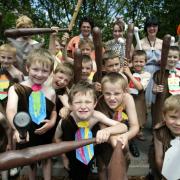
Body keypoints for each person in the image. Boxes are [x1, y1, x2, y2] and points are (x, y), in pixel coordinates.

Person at [54, 81, 128, 180]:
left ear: (94, 104)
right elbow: (57, 138)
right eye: (78, 102)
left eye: (88, 102)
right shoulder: (65, 121)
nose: (83, 106)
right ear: (71, 105)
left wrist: (108, 131)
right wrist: (64, 158)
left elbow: (123, 127)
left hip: (91, 152)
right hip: (71, 154)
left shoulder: (95, 116)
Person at [6, 48, 57, 180]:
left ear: (50, 72)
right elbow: (11, 110)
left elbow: (53, 110)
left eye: (45, 71)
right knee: (30, 160)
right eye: (35, 69)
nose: (39, 74)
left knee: (47, 158)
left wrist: (52, 122)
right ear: (27, 68)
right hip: (25, 130)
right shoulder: (16, 88)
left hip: (44, 131)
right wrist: (18, 128)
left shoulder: (51, 92)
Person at [96, 72, 139, 179]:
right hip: (106, 141)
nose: (112, 98)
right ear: (102, 92)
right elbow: (104, 130)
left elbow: (134, 126)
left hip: (123, 139)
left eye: (116, 94)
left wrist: (126, 136)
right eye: (107, 93)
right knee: (103, 168)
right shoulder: (101, 102)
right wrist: (115, 141)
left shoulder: (128, 99)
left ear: (124, 92)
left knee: (121, 169)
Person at [123, 50, 151, 139]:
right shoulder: (129, 70)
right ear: (132, 62)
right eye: (136, 61)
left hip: (139, 98)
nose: (138, 64)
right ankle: (130, 129)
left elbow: (139, 87)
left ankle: (138, 130)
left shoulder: (146, 75)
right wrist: (126, 67)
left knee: (140, 113)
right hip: (128, 96)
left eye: (141, 61)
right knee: (127, 113)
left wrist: (129, 74)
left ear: (145, 62)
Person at [136, 15, 163, 107]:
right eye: (149, 26)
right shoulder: (140, 43)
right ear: (146, 28)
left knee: (158, 102)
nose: (152, 28)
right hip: (144, 74)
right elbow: (136, 60)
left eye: (154, 26)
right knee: (143, 101)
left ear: (158, 27)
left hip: (158, 75)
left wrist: (162, 61)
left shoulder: (163, 43)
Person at [153, 94, 180, 179]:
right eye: (173, 117)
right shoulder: (160, 132)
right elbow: (159, 159)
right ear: (164, 116)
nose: (178, 123)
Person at [152, 46, 180, 126]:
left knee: (174, 120)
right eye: (169, 56)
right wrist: (156, 90)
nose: (172, 59)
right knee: (160, 121)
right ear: (165, 57)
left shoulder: (179, 73)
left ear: (178, 59)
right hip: (161, 102)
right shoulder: (159, 73)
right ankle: (158, 136)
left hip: (175, 102)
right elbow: (153, 90)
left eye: (175, 57)